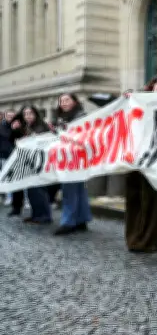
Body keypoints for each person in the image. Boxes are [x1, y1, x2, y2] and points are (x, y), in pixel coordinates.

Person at [125, 74, 157, 253]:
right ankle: (134, 237)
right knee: (135, 198)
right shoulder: (139, 105)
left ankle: (151, 241)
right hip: (136, 158)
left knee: (153, 201)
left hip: (156, 160)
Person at [52, 94, 92, 235]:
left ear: (75, 101)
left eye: (67, 100)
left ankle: (68, 222)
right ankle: (82, 219)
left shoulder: (79, 116)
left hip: (74, 158)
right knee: (79, 189)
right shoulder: (62, 117)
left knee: (70, 190)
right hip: (69, 157)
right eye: (61, 100)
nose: (63, 103)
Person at [12, 106, 52, 224]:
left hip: (39, 162)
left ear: (35, 114)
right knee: (31, 190)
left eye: (30, 113)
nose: (28, 116)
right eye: (25, 114)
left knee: (39, 189)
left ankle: (44, 215)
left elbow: (37, 141)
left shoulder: (40, 126)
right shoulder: (26, 127)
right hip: (29, 162)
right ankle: (36, 214)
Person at [0, 110, 15, 206]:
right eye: (9, 116)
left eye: (12, 116)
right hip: (4, 155)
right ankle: (9, 197)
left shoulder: (19, 126)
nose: (11, 118)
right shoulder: (2, 127)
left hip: (16, 155)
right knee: (7, 177)